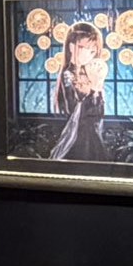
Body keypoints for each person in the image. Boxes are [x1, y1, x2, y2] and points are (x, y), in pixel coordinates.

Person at [50, 22, 108, 162]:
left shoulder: (91, 72)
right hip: (76, 134)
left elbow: (99, 112)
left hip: (91, 132)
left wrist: (97, 87)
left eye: (93, 51)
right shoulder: (68, 75)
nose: (89, 55)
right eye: (85, 48)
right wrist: (93, 89)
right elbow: (73, 109)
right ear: (72, 47)